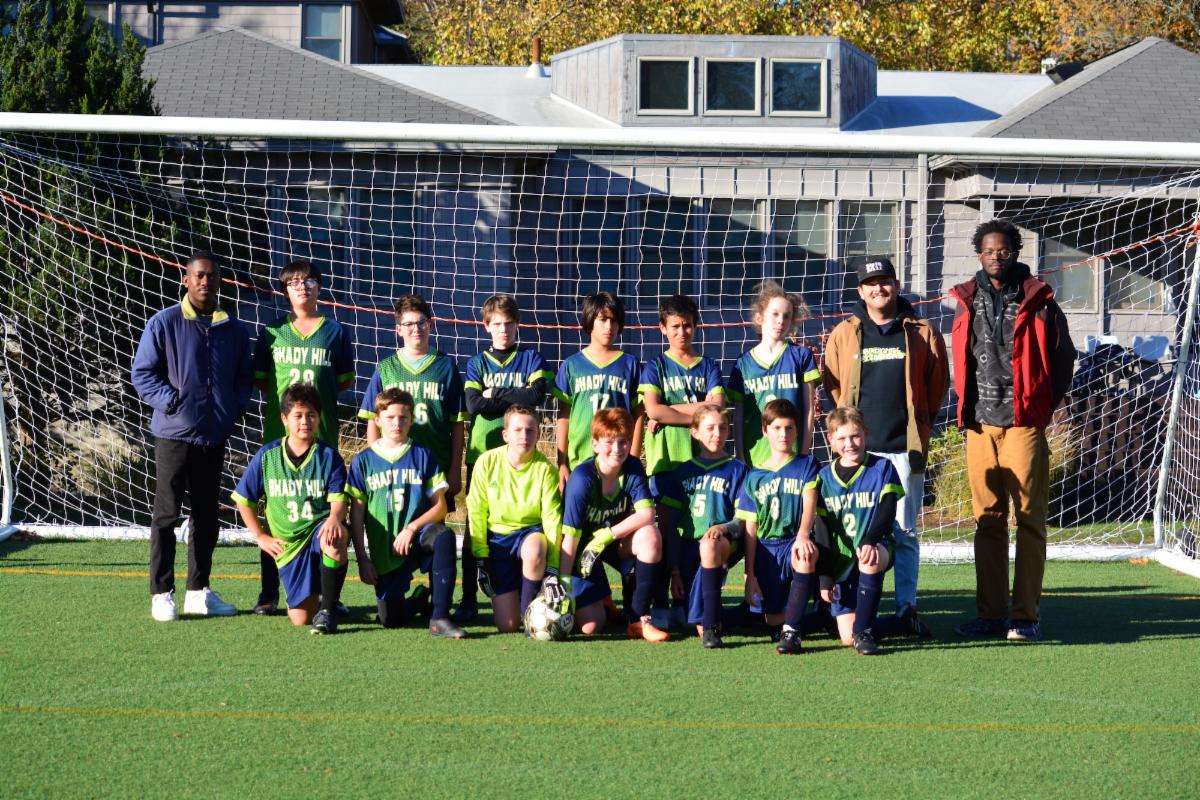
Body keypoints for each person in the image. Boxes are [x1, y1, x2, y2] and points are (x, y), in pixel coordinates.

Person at [950, 219, 1075, 643]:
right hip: (979, 426)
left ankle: (1025, 617)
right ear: (979, 254)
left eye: (1003, 249)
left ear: (1015, 252)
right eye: (988, 250)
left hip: (1023, 425)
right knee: (987, 521)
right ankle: (990, 614)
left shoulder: (1040, 301)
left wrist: (1041, 408)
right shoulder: (966, 300)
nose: (996, 256)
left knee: (1029, 521)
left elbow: (1064, 359)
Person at [822, 256, 947, 636]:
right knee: (853, 530)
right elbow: (833, 385)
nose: (879, 289)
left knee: (904, 532)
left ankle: (906, 607)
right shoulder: (844, 333)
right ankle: (850, 604)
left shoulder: (922, 332)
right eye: (871, 283)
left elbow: (937, 385)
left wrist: (920, 426)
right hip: (858, 455)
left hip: (903, 448)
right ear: (861, 291)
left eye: (885, 281)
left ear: (896, 284)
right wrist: (850, 436)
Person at [131, 249, 253, 622]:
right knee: (166, 515)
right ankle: (161, 593)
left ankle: (199, 592)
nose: (205, 281)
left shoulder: (234, 330)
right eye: (199, 275)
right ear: (186, 280)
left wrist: (233, 409)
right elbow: (142, 373)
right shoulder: (163, 322)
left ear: (220, 282)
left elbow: (243, 378)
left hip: (213, 436)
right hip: (174, 434)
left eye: (212, 276)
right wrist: (172, 403)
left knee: (206, 516)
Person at [250, 258, 354, 616]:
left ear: (319, 287)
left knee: (325, 511)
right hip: (279, 438)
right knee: (273, 511)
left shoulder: (335, 332)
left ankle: (328, 594)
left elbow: (342, 382)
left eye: (309, 281)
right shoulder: (272, 332)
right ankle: (268, 592)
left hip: (321, 437)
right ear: (285, 290)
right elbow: (263, 381)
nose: (302, 287)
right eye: (294, 282)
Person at [459, 293, 552, 623]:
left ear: (517, 325)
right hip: (483, 453)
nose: (503, 330)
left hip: (522, 453)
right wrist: (515, 395)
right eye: (497, 324)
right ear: (486, 326)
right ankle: (468, 597)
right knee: (475, 523)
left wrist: (495, 394)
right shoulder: (477, 362)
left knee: (526, 519)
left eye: (509, 324)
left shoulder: (530, 357)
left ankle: (533, 588)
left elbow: (536, 395)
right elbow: (474, 405)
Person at [346, 388, 465, 639]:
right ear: (378, 420)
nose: (397, 423)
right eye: (390, 417)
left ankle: (440, 617)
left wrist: (411, 528)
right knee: (391, 619)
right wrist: (363, 559)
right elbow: (356, 515)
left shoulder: (422, 454)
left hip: (417, 538)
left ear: (412, 419)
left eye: (403, 417)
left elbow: (441, 507)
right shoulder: (363, 461)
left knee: (443, 537)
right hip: (386, 549)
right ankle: (419, 600)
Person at [232, 384, 349, 634]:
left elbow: (340, 501)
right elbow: (244, 500)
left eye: (311, 415)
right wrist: (260, 536)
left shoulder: (329, 456)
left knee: (336, 535)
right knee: (300, 619)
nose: (305, 421)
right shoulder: (268, 455)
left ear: (319, 418)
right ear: (285, 419)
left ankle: (328, 609)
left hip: (316, 533)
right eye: (298, 415)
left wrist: (334, 518)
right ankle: (318, 595)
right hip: (287, 545)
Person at [562, 408, 669, 642]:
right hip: (583, 551)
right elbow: (570, 538)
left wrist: (607, 535)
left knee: (650, 537)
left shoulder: (632, 466)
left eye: (623, 442)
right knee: (591, 626)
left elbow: (647, 514)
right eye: (609, 442)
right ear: (595, 444)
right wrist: (563, 583)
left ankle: (639, 619)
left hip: (612, 542)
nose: (617, 448)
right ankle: (605, 602)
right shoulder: (582, 478)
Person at [359, 294, 465, 521]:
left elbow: (457, 422)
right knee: (396, 524)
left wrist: (455, 469)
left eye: (421, 322)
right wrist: (376, 461)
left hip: (435, 463)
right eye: (408, 324)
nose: (416, 329)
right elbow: (372, 420)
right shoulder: (386, 368)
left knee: (433, 530)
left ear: (430, 325)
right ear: (398, 329)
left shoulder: (446, 366)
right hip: (395, 466)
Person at [653, 405, 748, 649]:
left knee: (698, 621)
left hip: (721, 543)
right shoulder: (682, 471)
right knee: (683, 617)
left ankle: (709, 622)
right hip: (687, 546)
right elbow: (672, 526)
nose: (717, 433)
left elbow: (742, 521)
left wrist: (723, 528)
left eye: (723, 428)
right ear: (694, 432)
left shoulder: (738, 469)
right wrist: (674, 571)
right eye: (710, 428)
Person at [733, 399, 821, 654]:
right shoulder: (754, 476)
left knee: (804, 554)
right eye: (777, 428)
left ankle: (792, 632)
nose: (783, 434)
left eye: (789, 428)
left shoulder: (807, 464)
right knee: (772, 620)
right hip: (767, 548)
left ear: (796, 430)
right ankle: (799, 620)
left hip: (794, 540)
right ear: (765, 431)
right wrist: (750, 573)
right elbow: (751, 527)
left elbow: (810, 505)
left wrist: (803, 535)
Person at [813, 407, 902, 656]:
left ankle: (864, 634)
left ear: (866, 433)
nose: (849, 444)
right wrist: (826, 579)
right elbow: (822, 531)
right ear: (830, 440)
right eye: (842, 438)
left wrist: (870, 540)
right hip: (842, 559)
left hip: (877, 545)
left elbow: (887, 512)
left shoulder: (882, 467)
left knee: (869, 556)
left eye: (855, 436)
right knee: (845, 637)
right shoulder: (823, 478)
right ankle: (901, 622)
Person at [467, 405, 563, 633]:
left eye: (530, 430)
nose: (524, 436)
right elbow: (476, 511)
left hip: (529, 534)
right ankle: (521, 592)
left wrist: (553, 568)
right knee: (507, 626)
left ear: (538, 434)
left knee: (535, 550)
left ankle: (530, 613)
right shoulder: (486, 462)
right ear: (505, 435)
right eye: (518, 430)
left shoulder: (545, 469)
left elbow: (552, 519)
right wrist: (481, 557)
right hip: (498, 541)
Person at [553, 291, 642, 489]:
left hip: (618, 459)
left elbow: (638, 415)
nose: (609, 326)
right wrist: (562, 463)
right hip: (579, 460)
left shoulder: (630, 364)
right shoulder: (571, 365)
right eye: (603, 320)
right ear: (590, 320)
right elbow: (564, 416)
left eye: (614, 320)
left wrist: (633, 459)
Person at [728, 282, 820, 467]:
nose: (781, 321)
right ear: (759, 317)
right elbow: (738, 415)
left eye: (787, 316)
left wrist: (803, 453)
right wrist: (740, 455)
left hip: (792, 458)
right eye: (775, 314)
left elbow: (809, 410)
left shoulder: (801, 356)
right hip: (755, 458)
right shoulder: (743, 364)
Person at [639, 294, 724, 478]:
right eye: (675, 326)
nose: (682, 332)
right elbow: (653, 411)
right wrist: (700, 413)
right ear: (663, 328)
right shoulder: (655, 366)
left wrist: (667, 411)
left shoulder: (709, 366)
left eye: (687, 325)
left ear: (695, 326)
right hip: (665, 457)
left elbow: (717, 407)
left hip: (701, 455)